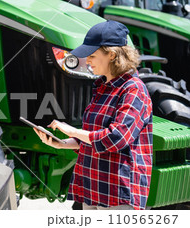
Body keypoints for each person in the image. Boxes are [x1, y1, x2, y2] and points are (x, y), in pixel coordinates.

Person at [34, 20, 153, 210]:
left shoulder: (134, 90)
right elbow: (94, 138)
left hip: (118, 193)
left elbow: (117, 138)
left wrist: (72, 131)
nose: (87, 61)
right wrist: (63, 143)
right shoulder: (102, 87)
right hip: (92, 188)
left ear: (112, 55)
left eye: (92, 55)